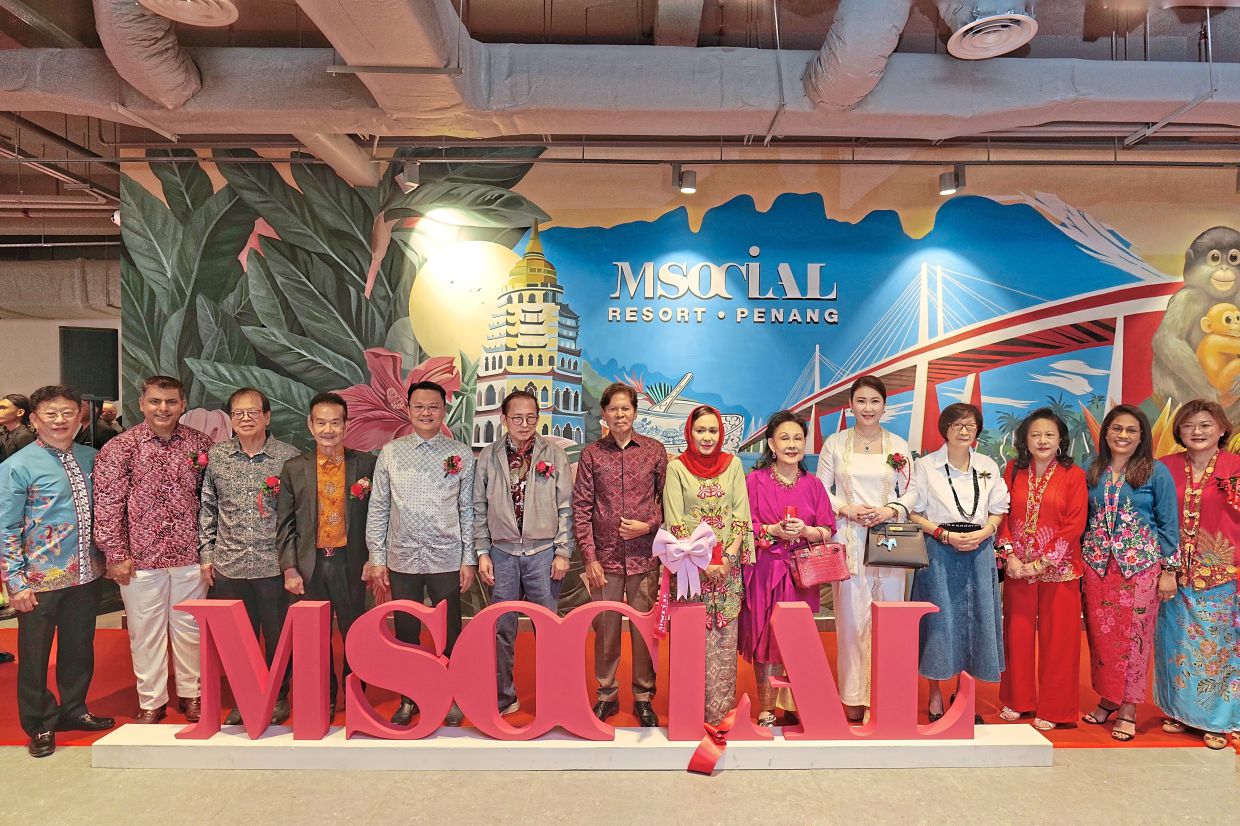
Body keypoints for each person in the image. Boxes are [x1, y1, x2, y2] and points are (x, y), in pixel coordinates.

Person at [0, 385, 114, 758]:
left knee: (79, 648)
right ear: (34, 420)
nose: (61, 420)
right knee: (34, 655)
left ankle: (74, 709)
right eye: (51, 414)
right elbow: (5, 527)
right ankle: (39, 723)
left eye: (68, 412)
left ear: (80, 416)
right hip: (38, 579)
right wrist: (15, 582)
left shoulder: (93, 457)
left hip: (86, 574)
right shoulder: (17, 466)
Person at [93, 376, 214, 724]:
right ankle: (151, 700)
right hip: (139, 560)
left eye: (171, 402)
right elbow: (108, 504)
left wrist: (208, 553)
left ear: (183, 404)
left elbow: (209, 501)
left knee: (191, 631)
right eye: (156, 401)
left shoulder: (199, 444)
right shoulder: (121, 447)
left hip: (189, 557)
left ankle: (193, 695)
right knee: (145, 633)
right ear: (142, 403)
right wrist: (116, 555)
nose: (164, 408)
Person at [367, 380, 476, 728]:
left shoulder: (460, 454)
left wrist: (468, 558)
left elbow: (468, 510)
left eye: (433, 406)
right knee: (406, 632)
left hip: (446, 556)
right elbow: (379, 507)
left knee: (450, 632)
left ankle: (453, 694)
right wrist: (377, 557)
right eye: (419, 406)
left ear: (443, 410)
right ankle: (409, 697)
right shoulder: (391, 453)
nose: (426, 412)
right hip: (402, 558)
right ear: (408, 409)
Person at [816, 376, 918, 722]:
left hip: (890, 539)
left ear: (885, 406)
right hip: (848, 537)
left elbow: (912, 492)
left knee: (890, 616)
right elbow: (820, 488)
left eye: (875, 401)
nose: (868, 408)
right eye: (861, 401)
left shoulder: (898, 445)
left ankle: (886, 694)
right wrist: (846, 508)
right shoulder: (835, 443)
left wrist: (890, 510)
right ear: (850, 405)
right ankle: (853, 697)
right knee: (850, 619)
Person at [199, 387, 301, 726]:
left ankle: (278, 697)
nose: (245, 418)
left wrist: (293, 563)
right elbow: (207, 507)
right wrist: (206, 554)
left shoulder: (289, 457)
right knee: (238, 641)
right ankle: (245, 697)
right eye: (238, 413)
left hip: (274, 566)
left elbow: (298, 516)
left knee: (277, 637)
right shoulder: (217, 456)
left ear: (267, 417)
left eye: (252, 412)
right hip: (229, 564)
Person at [1081, 404, 1178, 743]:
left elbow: (1168, 524)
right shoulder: (1091, 469)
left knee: (1135, 638)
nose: (1123, 435)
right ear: (1105, 433)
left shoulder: (1156, 472)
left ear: (1141, 438)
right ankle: (1108, 698)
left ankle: (1128, 708)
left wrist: (1168, 571)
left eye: (1131, 430)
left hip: (1140, 569)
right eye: (1117, 428)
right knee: (1102, 638)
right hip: (1096, 568)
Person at [907, 402, 1010, 723]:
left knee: (975, 622)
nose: (964, 431)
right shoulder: (925, 466)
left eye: (970, 426)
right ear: (945, 430)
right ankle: (935, 695)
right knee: (940, 623)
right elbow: (912, 510)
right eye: (957, 425)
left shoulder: (988, 465)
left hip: (979, 550)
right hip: (939, 548)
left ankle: (965, 696)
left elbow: (999, 507)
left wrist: (986, 532)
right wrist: (942, 533)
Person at [276, 392, 377, 716]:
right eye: (321, 422)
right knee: (314, 638)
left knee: (355, 634)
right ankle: (325, 695)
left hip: (350, 563)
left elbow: (379, 516)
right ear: (310, 425)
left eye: (335, 422)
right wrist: (290, 568)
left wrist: (372, 558)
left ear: (346, 425)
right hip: (311, 566)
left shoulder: (366, 464)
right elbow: (285, 523)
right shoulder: (294, 468)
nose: (328, 429)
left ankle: (355, 694)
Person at [572, 382, 667, 726]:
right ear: (604, 414)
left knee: (643, 631)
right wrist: (590, 557)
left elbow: (666, 505)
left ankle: (643, 697)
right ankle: (606, 695)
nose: (620, 414)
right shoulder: (592, 454)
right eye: (613, 409)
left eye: (626, 408)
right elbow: (581, 508)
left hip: (645, 558)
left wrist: (648, 526)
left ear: (635, 413)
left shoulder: (655, 452)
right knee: (606, 631)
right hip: (605, 560)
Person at [474, 389, 573, 716]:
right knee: (502, 628)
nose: (524, 423)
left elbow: (566, 507)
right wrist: (482, 552)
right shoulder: (488, 456)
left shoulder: (552, 454)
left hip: (544, 553)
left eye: (531, 417)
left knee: (549, 627)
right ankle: (504, 697)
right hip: (501, 555)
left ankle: (553, 695)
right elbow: (478, 508)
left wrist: (563, 551)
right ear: (503, 419)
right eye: (516, 418)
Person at [995, 408, 1087, 731]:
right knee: (1016, 635)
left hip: (1058, 571)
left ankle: (1055, 707)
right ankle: (1018, 701)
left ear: (1061, 438)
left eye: (1049, 434)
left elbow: (1074, 524)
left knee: (1059, 640)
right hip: (1018, 568)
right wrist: (1010, 557)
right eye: (1035, 435)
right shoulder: (1013, 471)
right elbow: (1000, 513)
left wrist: (1041, 562)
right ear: (1026, 440)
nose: (1042, 440)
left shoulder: (1074, 475)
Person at [741, 411, 835, 726]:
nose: (792, 445)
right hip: (765, 570)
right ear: (771, 443)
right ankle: (767, 707)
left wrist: (806, 532)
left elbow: (827, 529)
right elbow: (744, 527)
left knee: (797, 637)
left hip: (801, 574)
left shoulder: (814, 485)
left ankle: (798, 703)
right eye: (785, 438)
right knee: (765, 636)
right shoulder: (755, 481)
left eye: (797, 438)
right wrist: (773, 531)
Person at [1155, 400, 1239, 749]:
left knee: (1218, 647)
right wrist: (1164, 567)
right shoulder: (1164, 468)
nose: (1197, 432)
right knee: (1176, 644)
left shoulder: (1236, 468)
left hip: (1222, 573)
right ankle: (1180, 712)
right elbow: (1155, 519)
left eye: (1206, 425)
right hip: (1173, 572)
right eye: (1189, 425)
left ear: (1221, 429)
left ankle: (1220, 721)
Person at [663, 404, 751, 726]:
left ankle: (720, 717)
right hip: (690, 572)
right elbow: (674, 520)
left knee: (724, 643)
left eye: (713, 430)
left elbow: (741, 517)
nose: (707, 437)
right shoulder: (677, 469)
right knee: (692, 641)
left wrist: (726, 559)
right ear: (690, 432)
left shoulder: (734, 465)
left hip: (726, 572)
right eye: (700, 430)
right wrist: (702, 562)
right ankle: (689, 714)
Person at [0, 393, 36, 463]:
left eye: (2, 408)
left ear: (20, 412)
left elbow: (30, 464)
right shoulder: (5, 436)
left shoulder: (24, 436)